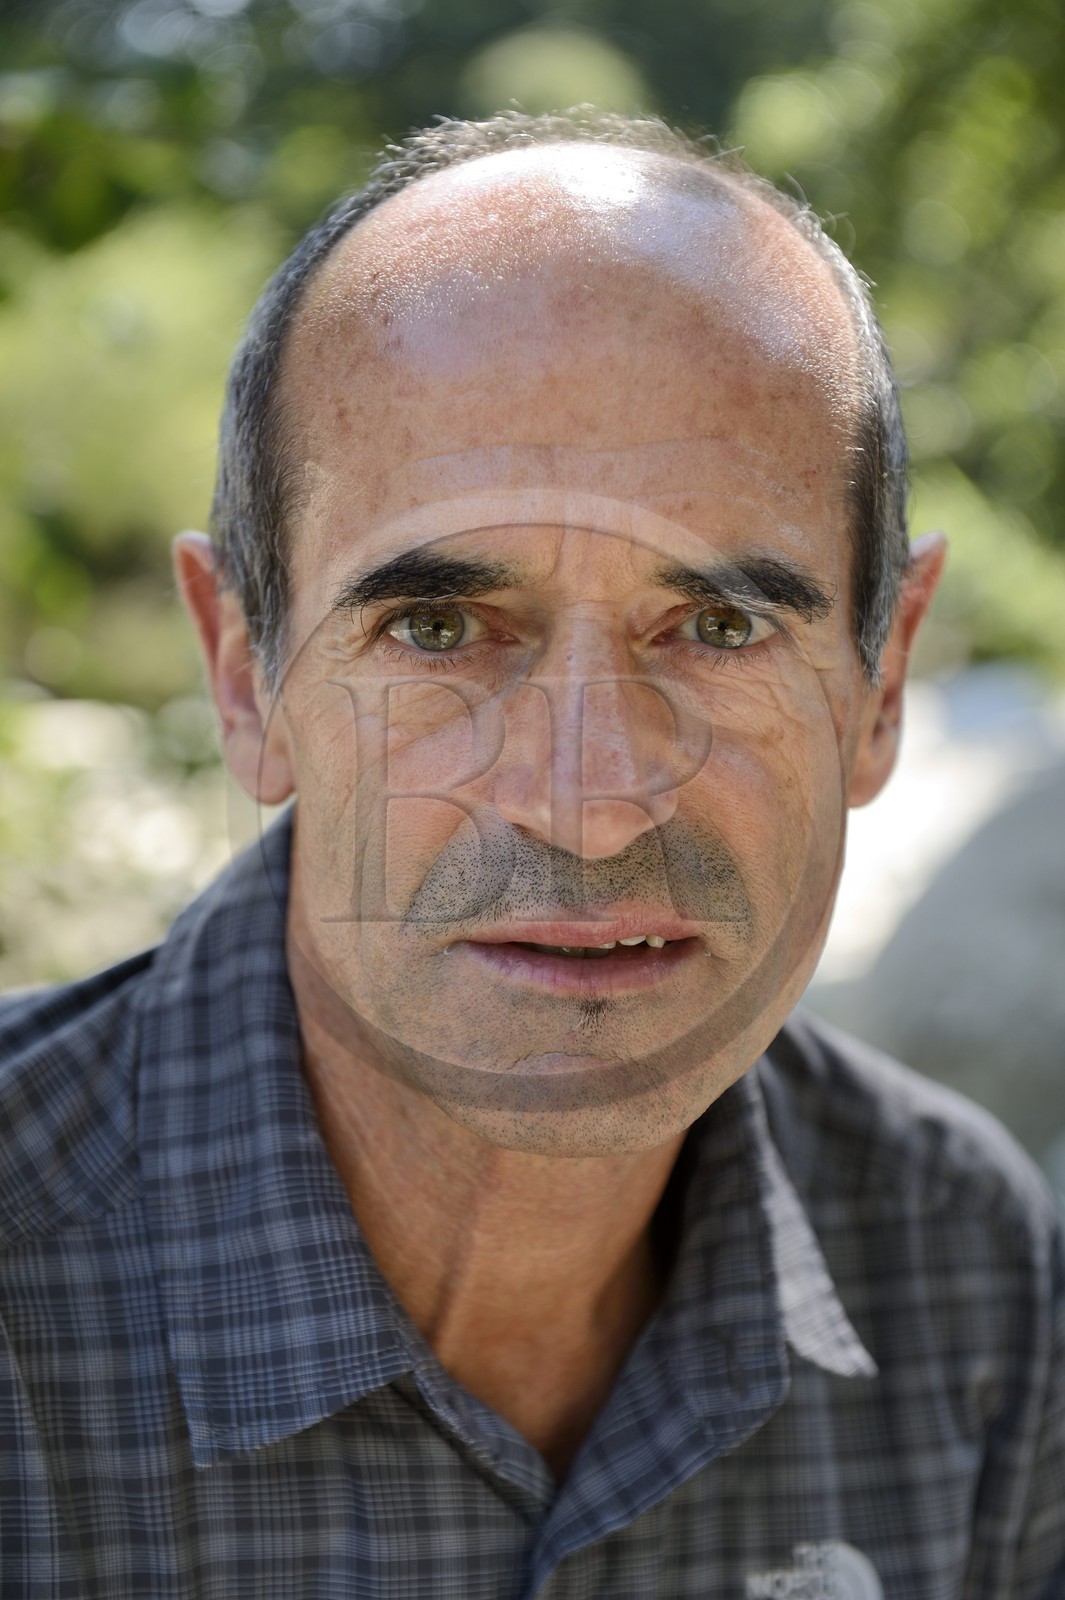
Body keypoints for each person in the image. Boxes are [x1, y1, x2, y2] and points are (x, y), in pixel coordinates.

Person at [1, 112, 1061, 1600]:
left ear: (878, 688)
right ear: (245, 676)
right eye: (437, 628)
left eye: (720, 627)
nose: (587, 802)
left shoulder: (971, 1270)